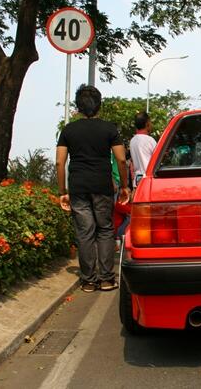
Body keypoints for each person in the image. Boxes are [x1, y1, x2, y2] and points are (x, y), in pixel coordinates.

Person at [56, 85, 130, 293]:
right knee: (105, 229)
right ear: (99, 106)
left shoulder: (68, 130)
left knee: (84, 232)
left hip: (78, 187)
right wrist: (125, 186)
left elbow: (60, 163)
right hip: (102, 186)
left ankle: (88, 280)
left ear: (78, 107)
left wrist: (62, 191)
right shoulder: (109, 129)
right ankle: (107, 279)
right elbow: (121, 159)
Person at [129, 112, 157, 187]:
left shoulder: (132, 141)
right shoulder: (150, 140)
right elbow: (157, 159)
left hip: (137, 181)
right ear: (147, 124)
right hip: (148, 180)